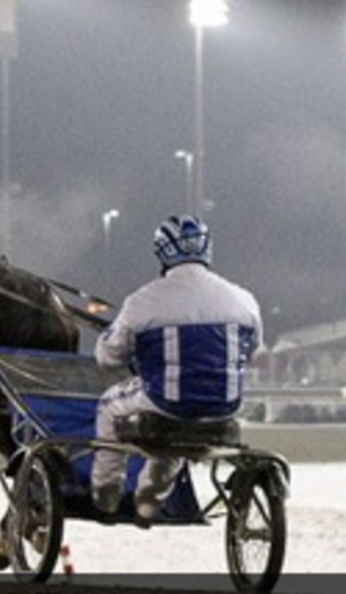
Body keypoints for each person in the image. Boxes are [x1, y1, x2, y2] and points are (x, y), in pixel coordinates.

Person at [91, 214, 262, 523]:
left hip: (168, 403)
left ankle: (107, 491)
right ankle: (150, 501)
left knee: (108, 404)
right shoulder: (244, 299)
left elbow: (107, 358)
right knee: (173, 430)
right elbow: (252, 352)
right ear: (207, 248)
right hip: (226, 406)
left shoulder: (142, 301)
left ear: (163, 251)